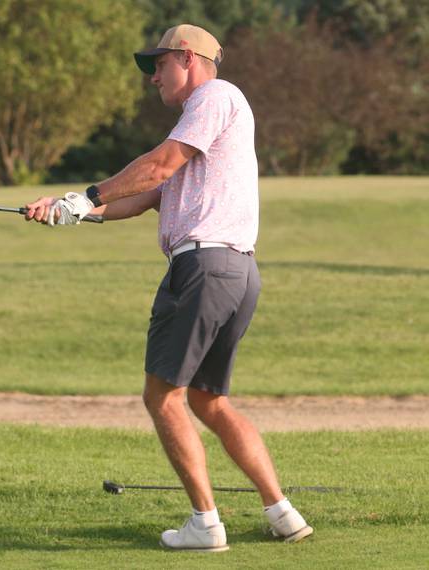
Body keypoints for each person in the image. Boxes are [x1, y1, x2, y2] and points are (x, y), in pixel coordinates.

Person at [24, 24, 312, 552]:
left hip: (202, 269)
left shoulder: (214, 98)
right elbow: (142, 197)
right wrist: (69, 212)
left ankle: (205, 524)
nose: (153, 77)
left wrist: (84, 195)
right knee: (209, 401)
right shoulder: (199, 128)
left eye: (159, 65)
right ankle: (283, 512)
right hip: (235, 272)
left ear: (188, 58)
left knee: (162, 396)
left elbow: (158, 164)